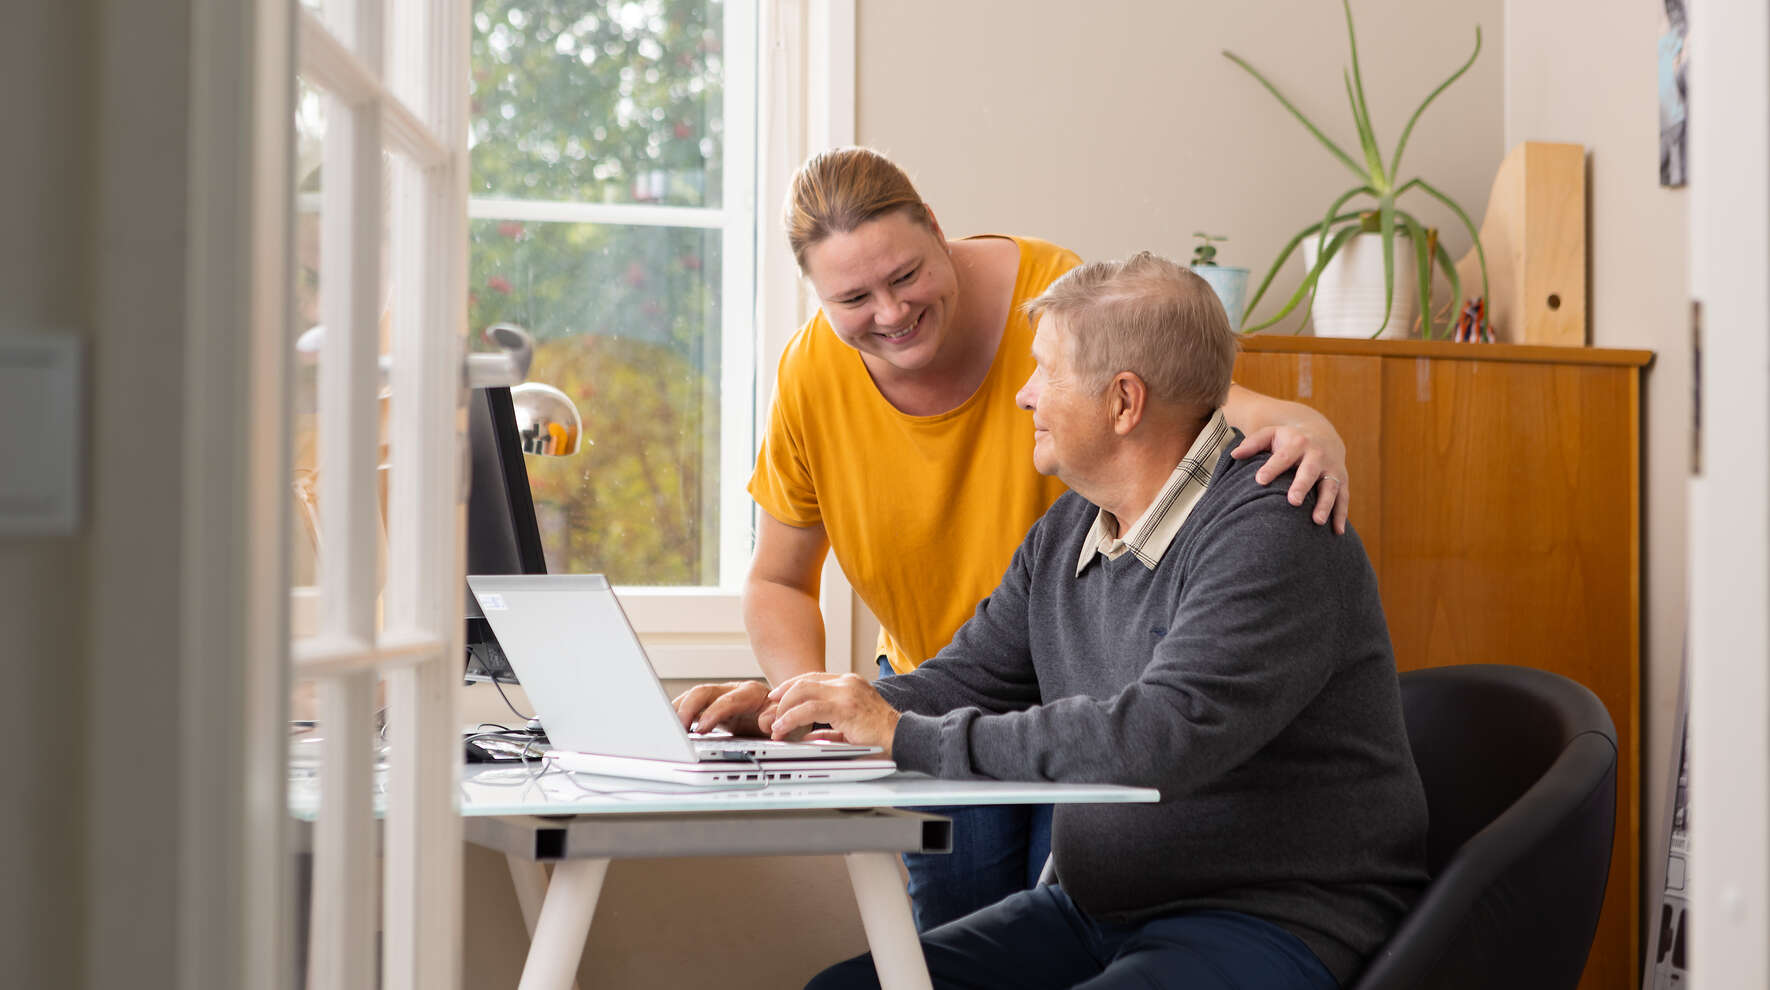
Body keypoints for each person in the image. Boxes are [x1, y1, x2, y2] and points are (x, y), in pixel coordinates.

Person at [675, 147, 1358, 932]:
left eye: (904, 277)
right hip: (949, 681)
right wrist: (807, 712)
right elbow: (781, 581)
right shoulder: (814, 378)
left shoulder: (1051, 299)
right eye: (855, 297)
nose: (891, 313)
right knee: (955, 942)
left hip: (1086, 697)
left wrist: (1310, 427)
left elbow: (1189, 401)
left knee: (1079, 908)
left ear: (935, 225)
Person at [743, 252, 1427, 988]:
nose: (1024, 396)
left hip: (1268, 917)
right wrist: (800, 710)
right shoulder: (1070, 530)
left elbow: (1158, 736)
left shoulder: (1271, 530)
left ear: (1124, 401)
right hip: (1095, 913)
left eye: (1044, 372)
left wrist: (901, 737)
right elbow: (966, 678)